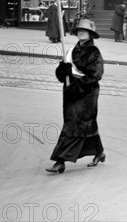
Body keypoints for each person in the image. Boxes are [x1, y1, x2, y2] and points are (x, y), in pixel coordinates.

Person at [47, 19, 105, 174]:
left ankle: (60, 161)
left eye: (84, 30)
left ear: (91, 34)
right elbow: (61, 74)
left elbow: (96, 74)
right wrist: (62, 70)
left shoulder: (94, 52)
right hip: (70, 93)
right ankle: (99, 152)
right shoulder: (71, 49)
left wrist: (78, 87)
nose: (81, 32)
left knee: (75, 127)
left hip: (86, 94)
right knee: (85, 126)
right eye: (79, 30)